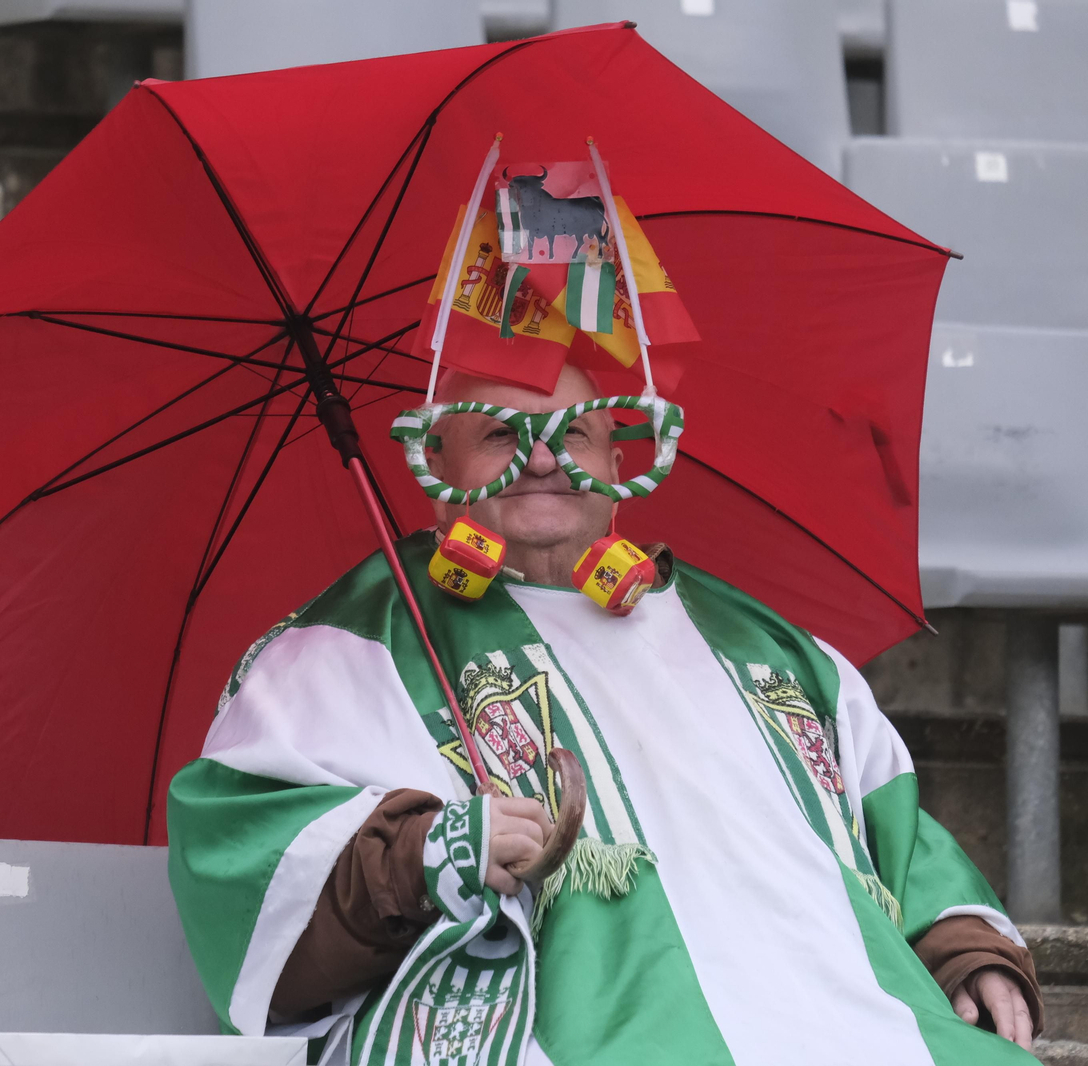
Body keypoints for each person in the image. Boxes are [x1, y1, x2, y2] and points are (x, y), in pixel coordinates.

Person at [167, 361, 1043, 1066]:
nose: (544, 460)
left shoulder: (765, 645)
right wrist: (424, 854)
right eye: (504, 437)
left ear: (620, 464)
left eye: (574, 434)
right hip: (578, 1036)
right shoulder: (349, 648)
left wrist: (965, 945)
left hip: (855, 1018)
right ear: (436, 467)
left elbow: (887, 827)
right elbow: (242, 852)